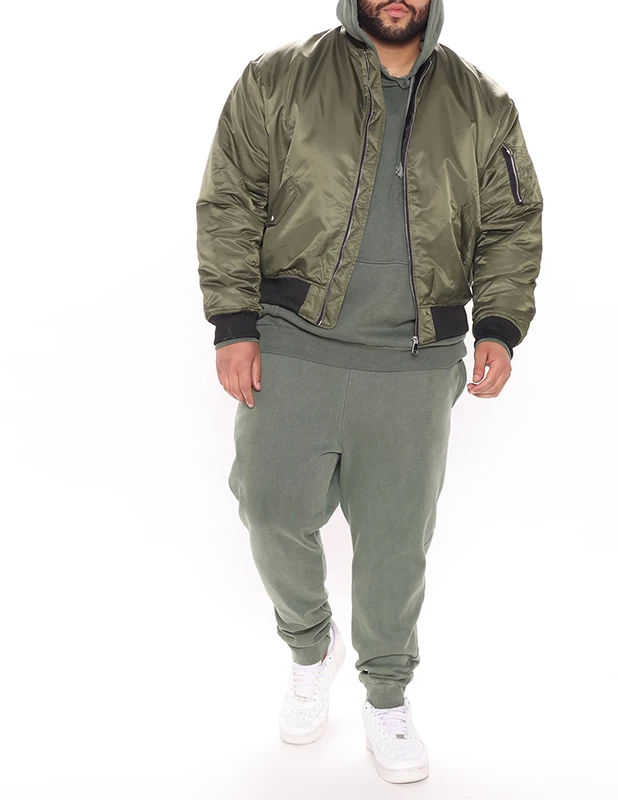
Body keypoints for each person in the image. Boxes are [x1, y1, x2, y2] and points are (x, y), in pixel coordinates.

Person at [196, 0, 543, 784]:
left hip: (415, 358)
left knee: (395, 541)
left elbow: (512, 223)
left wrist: (499, 325)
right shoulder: (277, 79)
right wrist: (233, 322)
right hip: (295, 339)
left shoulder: (483, 103)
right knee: (268, 505)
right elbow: (230, 198)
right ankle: (310, 643)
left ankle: (387, 695)